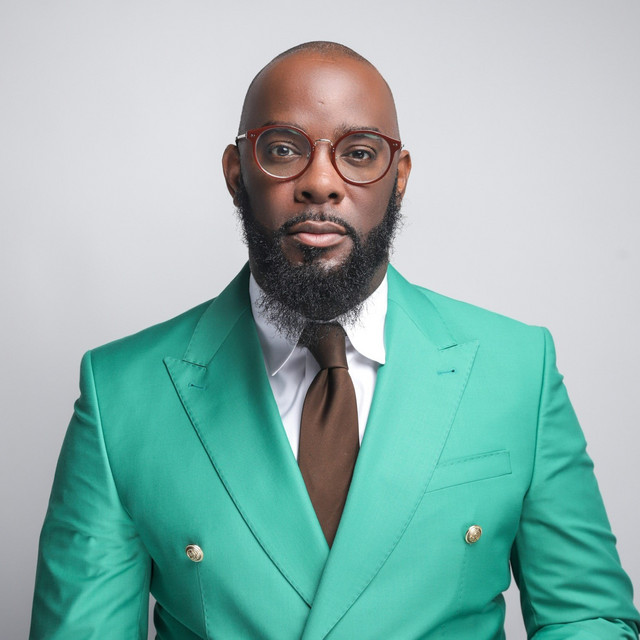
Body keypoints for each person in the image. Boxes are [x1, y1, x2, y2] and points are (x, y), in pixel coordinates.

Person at [30, 41, 638, 640]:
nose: (320, 182)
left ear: (399, 178)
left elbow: (587, 618)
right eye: (283, 149)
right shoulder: (121, 394)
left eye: (360, 153)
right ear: (237, 174)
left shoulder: (519, 370)